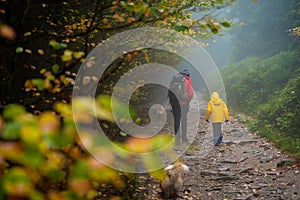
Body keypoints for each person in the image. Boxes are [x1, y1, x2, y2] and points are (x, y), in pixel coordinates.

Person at [168, 69, 194, 143]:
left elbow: (170, 93)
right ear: (188, 75)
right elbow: (191, 93)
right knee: (183, 120)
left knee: (176, 120)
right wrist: (187, 101)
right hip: (183, 104)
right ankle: (184, 139)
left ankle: (177, 139)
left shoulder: (174, 80)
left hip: (175, 104)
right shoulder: (187, 81)